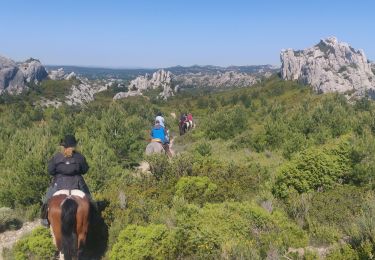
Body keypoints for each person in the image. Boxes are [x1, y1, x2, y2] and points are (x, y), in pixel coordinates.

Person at [40, 134, 91, 227]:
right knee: (90, 200)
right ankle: (93, 219)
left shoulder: (56, 157)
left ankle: (44, 220)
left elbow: (50, 171)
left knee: (46, 201)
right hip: (77, 182)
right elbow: (85, 170)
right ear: (74, 146)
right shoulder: (80, 157)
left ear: (64, 146)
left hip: (59, 183)